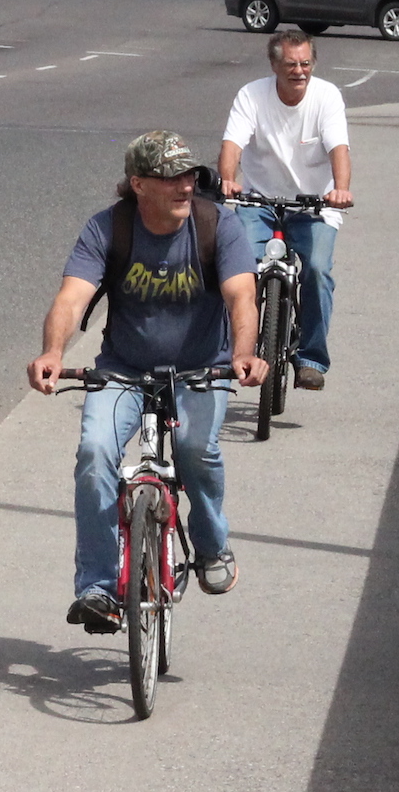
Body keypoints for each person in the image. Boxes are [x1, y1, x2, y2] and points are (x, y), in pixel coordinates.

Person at [27, 132, 265, 633]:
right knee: (94, 452)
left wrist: (244, 353)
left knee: (196, 449)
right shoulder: (108, 229)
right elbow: (71, 299)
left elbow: (242, 296)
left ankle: (210, 543)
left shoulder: (216, 224)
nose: (186, 187)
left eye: (190, 176)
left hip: (203, 367)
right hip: (124, 368)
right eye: (172, 177)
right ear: (139, 184)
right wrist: (53, 352)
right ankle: (96, 587)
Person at [219, 23, 353, 391]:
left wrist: (341, 190)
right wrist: (229, 180)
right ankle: (227, 350)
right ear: (274, 66)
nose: (300, 71)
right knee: (237, 271)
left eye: (306, 63)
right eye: (292, 64)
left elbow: (338, 148)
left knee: (318, 271)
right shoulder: (252, 95)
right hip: (258, 201)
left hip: (314, 205)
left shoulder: (326, 97)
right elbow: (232, 145)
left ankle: (310, 359)